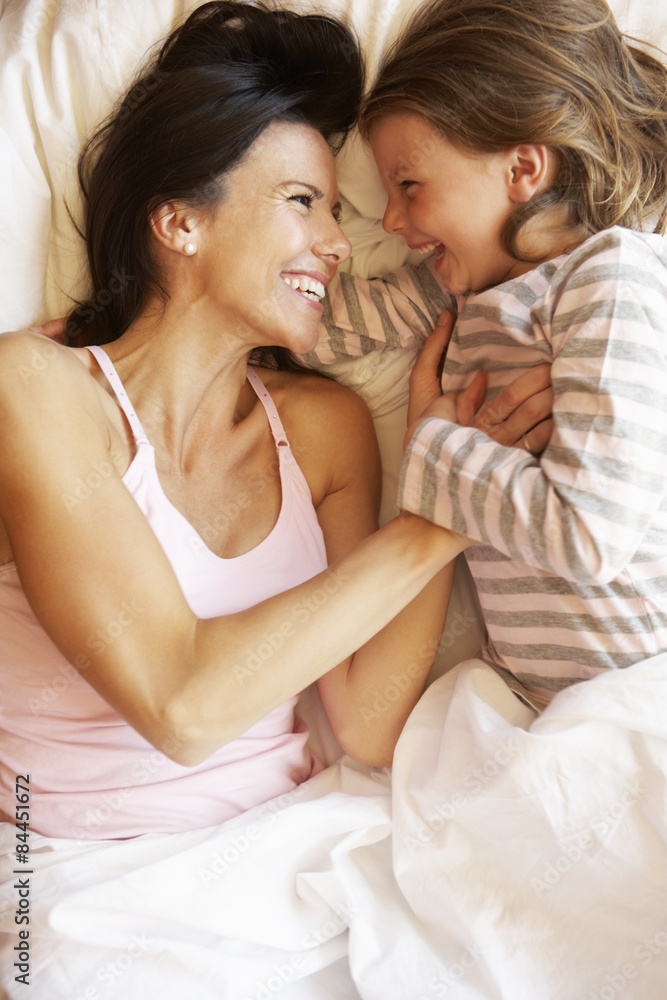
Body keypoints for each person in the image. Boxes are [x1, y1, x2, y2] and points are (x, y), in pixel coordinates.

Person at [0, 1, 547, 841]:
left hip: (281, 855)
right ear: (179, 219)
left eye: (334, 209)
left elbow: (365, 724)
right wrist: (438, 518)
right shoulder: (37, 386)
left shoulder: (325, 426)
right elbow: (180, 708)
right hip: (71, 877)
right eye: (302, 201)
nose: (337, 243)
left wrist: (445, 480)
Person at [308, 0, 667, 711]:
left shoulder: (611, 277)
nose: (388, 221)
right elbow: (323, 326)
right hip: (544, 704)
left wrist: (434, 451)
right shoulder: (455, 292)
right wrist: (163, 304)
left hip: (639, 691)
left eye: (408, 185)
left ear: (522, 168)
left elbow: (587, 537)